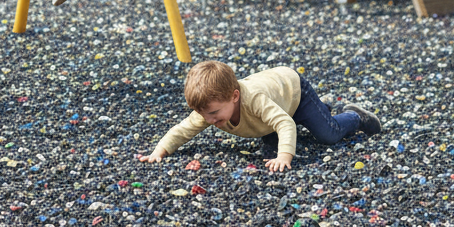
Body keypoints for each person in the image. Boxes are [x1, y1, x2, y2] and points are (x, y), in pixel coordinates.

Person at [140, 60, 381, 173]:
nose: (209, 120)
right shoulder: (210, 110)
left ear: (235, 96)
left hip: (294, 92)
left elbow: (284, 121)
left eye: (214, 113)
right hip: (277, 101)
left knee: (328, 134)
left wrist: (285, 157)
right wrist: (159, 151)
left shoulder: (254, 100)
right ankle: (320, 111)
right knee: (269, 149)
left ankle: (354, 116)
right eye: (204, 114)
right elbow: (182, 130)